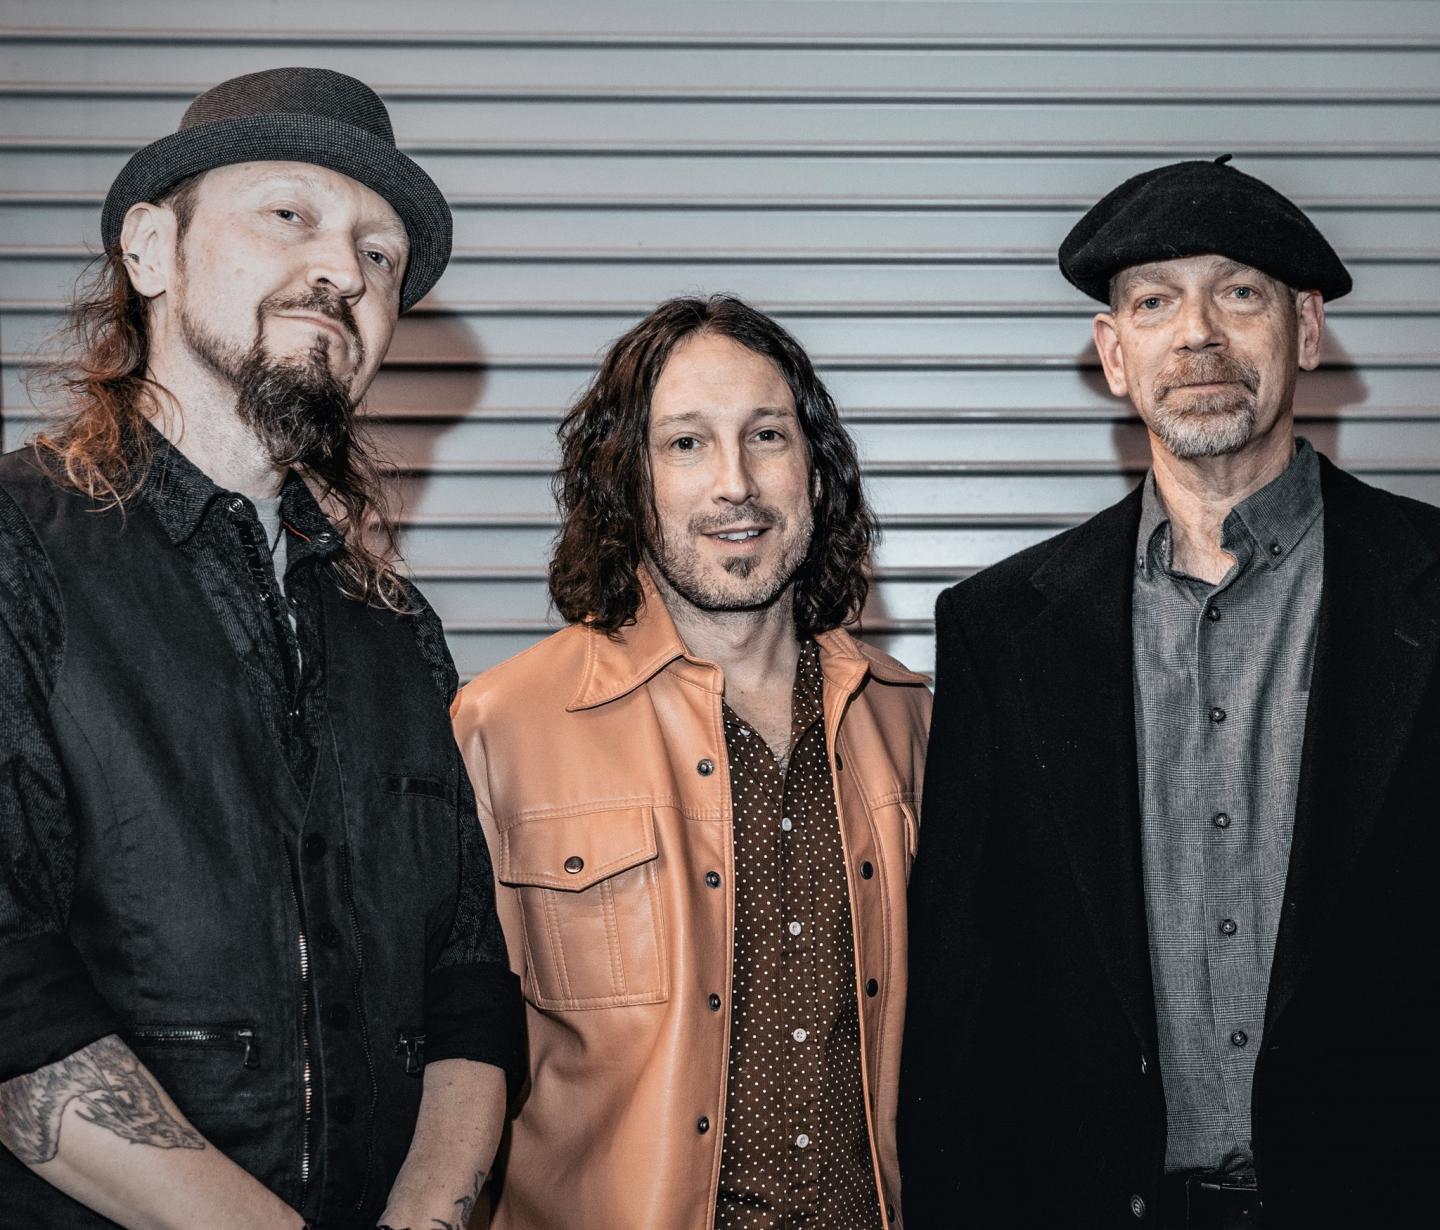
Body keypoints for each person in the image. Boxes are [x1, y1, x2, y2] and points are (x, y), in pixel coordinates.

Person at [0, 68, 522, 1229]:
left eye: (380, 256)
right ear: (150, 248)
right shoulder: (17, 551)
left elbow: (468, 980)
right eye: (289, 214)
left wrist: (427, 1215)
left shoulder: (394, 625)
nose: (343, 269)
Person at [899, 156, 1440, 1228]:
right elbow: (964, 1010)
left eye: (1238, 291)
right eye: (1153, 301)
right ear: (1113, 354)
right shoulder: (1001, 630)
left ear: (1307, 329)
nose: (1197, 333)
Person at [452, 295, 931, 1229]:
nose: (735, 484)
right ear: (625, 480)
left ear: (817, 470)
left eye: (767, 436)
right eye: (685, 444)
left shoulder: (908, 720)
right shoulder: (499, 728)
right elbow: (447, 1054)